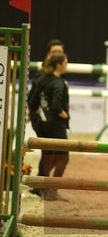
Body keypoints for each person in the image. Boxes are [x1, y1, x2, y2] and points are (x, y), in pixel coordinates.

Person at [27, 49, 70, 201]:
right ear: (58, 65)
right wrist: (66, 116)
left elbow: (32, 102)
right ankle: (52, 190)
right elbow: (57, 106)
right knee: (63, 158)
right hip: (56, 126)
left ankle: (41, 187)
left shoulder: (41, 80)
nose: (67, 65)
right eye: (65, 62)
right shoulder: (59, 83)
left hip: (42, 124)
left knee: (47, 156)